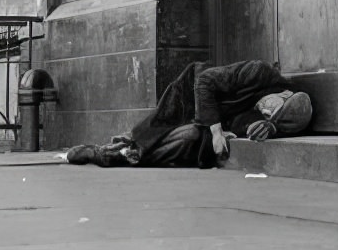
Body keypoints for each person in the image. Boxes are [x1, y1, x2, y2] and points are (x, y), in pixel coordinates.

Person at [66, 59, 313, 169]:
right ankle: (107, 151)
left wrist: (270, 126)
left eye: (271, 115)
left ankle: (121, 156)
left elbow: (243, 123)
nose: (265, 110)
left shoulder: (267, 114)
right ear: (283, 94)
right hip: (192, 93)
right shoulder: (259, 72)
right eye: (272, 106)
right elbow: (205, 81)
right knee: (148, 133)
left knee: (192, 139)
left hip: (209, 120)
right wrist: (217, 131)